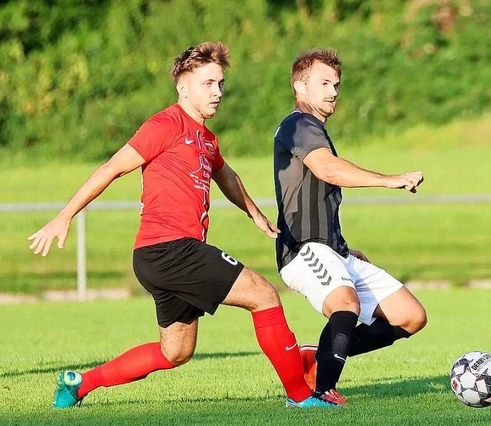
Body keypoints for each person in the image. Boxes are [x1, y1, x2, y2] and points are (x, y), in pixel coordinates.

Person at [28, 41, 337, 409]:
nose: (217, 92)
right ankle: (301, 397)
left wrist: (253, 212)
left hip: (158, 258)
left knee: (175, 351)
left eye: (220, 83)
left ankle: (78, 384)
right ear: (182, 87)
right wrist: (65, 216)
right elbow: (112, 168)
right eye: (207, 83)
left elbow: (226, 175)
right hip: (170, 248)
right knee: (264, 296)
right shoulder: (165, 124)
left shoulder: (206, 138)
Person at [273, 48, 428, 405]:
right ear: (300, 86)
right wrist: (390, 180)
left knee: (409, 316)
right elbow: (327, 169)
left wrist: (344, 248)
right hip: (302, 249)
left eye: (336, 84)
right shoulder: (298, 124)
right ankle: (315, 394)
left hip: (333, 248)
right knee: (346, 303)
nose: (333, 91)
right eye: (323, 82)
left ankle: (316, 355)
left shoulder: (316, 130)